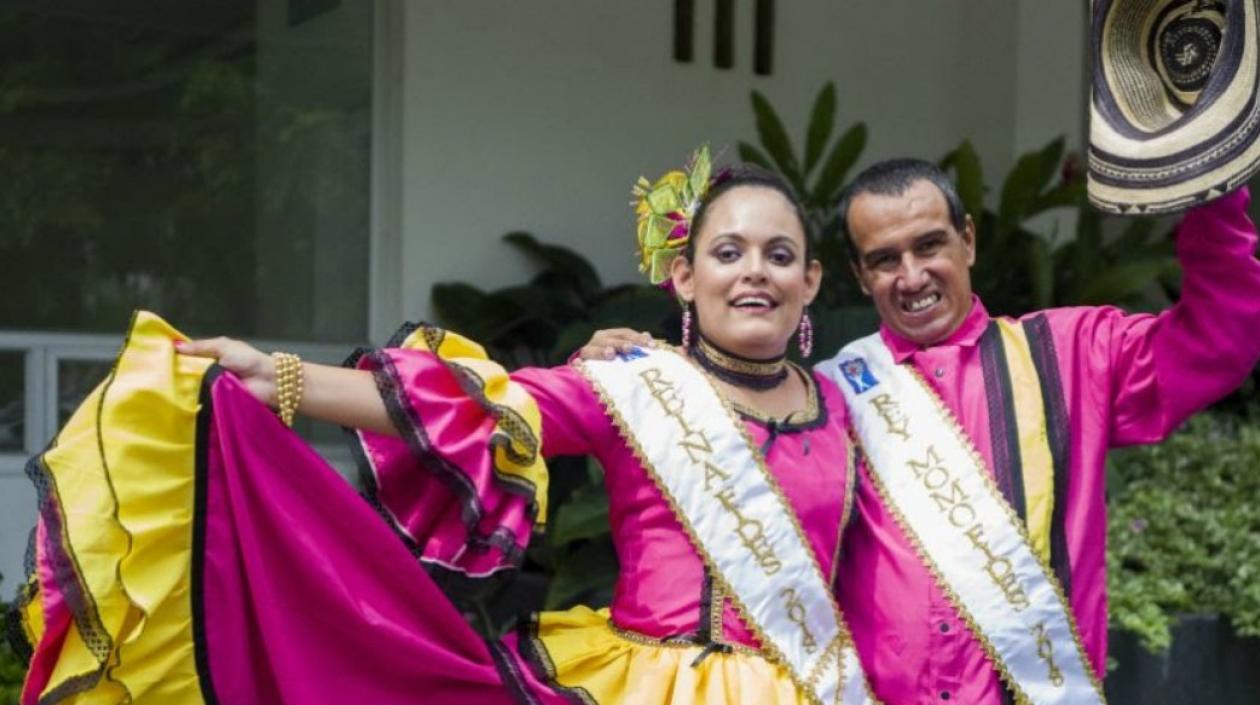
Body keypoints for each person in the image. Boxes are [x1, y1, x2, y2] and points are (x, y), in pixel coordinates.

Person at [13, 150, 879, 704]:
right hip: (643, 685)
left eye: (779, 254)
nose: (754, 272)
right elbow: (461, 405)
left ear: (809, 281)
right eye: (728, 253)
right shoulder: (632, 386)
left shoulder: (849, 406)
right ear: (684, 277)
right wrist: (276, 376)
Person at [584, 158, 1260, 704]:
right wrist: (645, 364)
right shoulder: (826, 394)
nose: (912, 276)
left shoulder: (1075, 351)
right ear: (857, 274)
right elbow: (717, 440)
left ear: (967, 240)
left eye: (930, 245)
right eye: (884, 259)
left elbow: (1224, 334)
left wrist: (1212, 188)